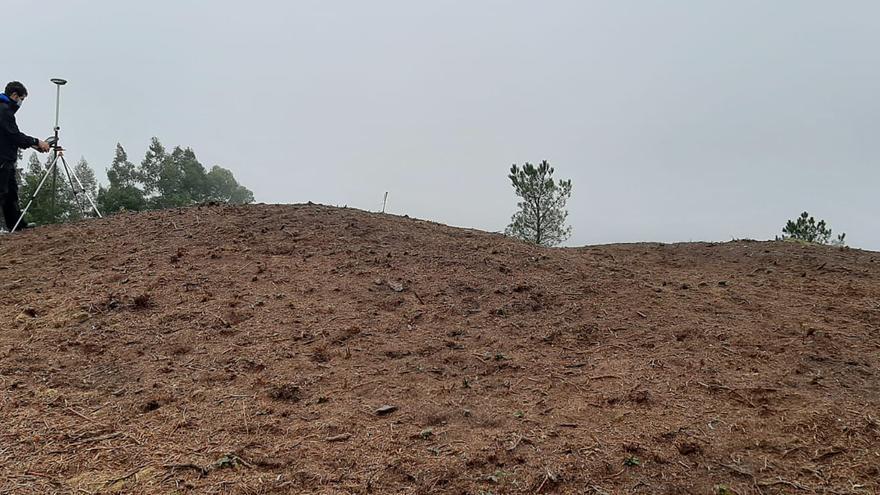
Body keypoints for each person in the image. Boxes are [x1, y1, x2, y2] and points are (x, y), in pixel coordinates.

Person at [0, 81, 50, 232]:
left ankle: (16, 226)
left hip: (7, 159)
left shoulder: (5, 109)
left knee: (11, 193)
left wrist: (34, 146)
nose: (21, 103)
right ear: (14, 95)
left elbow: (10, 136)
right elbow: (14, 135)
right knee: (1, 193)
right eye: (21, 99)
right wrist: (36, 141)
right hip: (2, 159)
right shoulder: (4, 111)